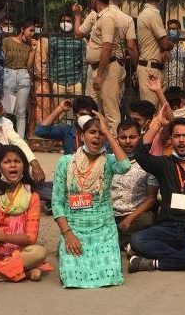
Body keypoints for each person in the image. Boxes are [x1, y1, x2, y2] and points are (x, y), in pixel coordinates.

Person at [129, 117, 185, 272]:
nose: (181, 140)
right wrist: (156, 124)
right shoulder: (164, 164)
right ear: (171, 138)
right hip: (167, 228)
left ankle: (153, 264)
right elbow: (140, 154)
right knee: (137, 240)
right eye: (177, 136)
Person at [52, 111, 131, 288]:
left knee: (110, 277)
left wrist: (109, 133)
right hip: (74, 230)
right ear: (81, 136)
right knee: (72, 278)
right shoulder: (66, 162)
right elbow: (57, 202)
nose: (97, 137)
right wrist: (68, 234)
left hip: (103, 231)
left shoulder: (109, 161)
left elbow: (125, 166)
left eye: (100, 133)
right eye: (92, 132)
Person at [0, 145, 50, 282]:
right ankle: (24, 273)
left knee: (38, 252)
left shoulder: (32, 197)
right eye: (6, 162)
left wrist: (1, 236)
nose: (12, 165)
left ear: (23, 166)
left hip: (18, 252)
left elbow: (30, 238)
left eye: (17, 161)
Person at [73, 0, 126, 136]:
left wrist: (100, 75)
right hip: (95, 68)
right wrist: (77, 15)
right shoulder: (95, 16)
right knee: (94, 109)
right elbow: (78, 34)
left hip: (107, 68)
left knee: (110, 111)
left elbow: (107, 48)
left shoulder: (108, 17)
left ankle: (115, 148)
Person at [111, 120, 157, 249]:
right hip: (111, 215)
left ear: (140, 137)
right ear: (116, 139)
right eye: (123, 137)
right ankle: (127, 243)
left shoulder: (148, 164)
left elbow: (151, 199)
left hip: (136, 215)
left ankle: (119, 242)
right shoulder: (109, 161)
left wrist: (129, 219)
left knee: (147, 220)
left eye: (132, 137)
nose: (127, 141)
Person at [136, 0, 173, 107]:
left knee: (159, 114)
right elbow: (165, 43)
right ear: (161, 1)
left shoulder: (144, 13)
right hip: (151, 69)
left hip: (151, 66)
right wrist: (170, 44)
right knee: (150, 110)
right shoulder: (153, 15)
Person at [1, 19, 38, 138]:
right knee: (7, 110)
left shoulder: (28, 46)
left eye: (34, 31)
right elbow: (2, 59)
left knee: (21, 112)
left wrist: (33, 50)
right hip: (8, 75)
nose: (32, 33)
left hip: (23, 76)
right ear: (22, 29)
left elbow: (29, 65)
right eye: (30, 30)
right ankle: (5, 139)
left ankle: (19, 141)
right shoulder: (7, 41)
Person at [49, 13, 85, 97]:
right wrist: (52, 81)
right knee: (59, 109)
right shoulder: (54, 40)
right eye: (62, 21)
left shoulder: (79, 41)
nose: (65, 23)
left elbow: (84, 62)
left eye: (68, 21)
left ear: (73, 23)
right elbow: (50, 62)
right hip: (58, 83)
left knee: (77, 109)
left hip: (75, 83)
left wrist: (81, 81)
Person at [164, 19, 185, 89]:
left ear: (179, 31)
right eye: (169, 29)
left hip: (180, 83)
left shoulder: (184, 47)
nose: (171, 31)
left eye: (173, 29)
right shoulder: (164, 47)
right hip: (167, 82)